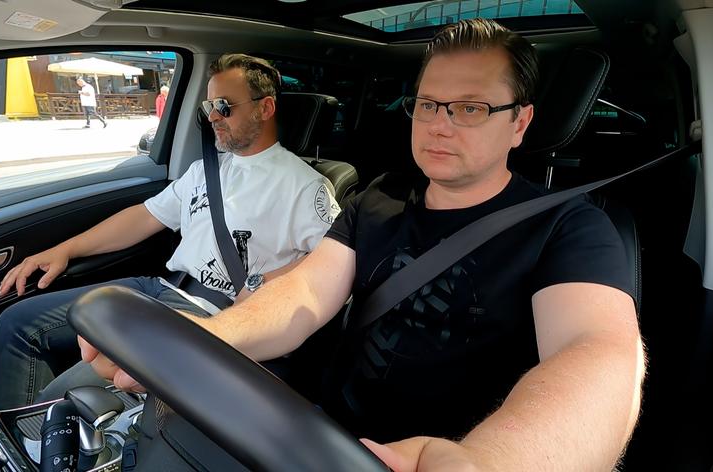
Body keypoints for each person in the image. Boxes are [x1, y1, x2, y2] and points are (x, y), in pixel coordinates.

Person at [83, 19, 645, 471]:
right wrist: (201, 338)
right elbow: (306, 292)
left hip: (442, 453)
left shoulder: (571, 227)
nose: (439, 125)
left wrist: (486, 462)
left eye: (470, 108)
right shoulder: (381, 197)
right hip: (315, 430)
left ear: (519, 122)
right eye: (428, 104)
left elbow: (597, 353)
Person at [0, 54, 341, 410]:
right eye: (208, 107)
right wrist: (66, 249)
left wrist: (260, 284)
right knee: (17, 323)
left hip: (216, 311)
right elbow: (145, 217)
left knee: (60, 400)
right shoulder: (204, 170)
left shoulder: (306, 187)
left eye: (224, 106)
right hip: (159, 289)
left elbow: (334, 264)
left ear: (265, 108)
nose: (213, 116)